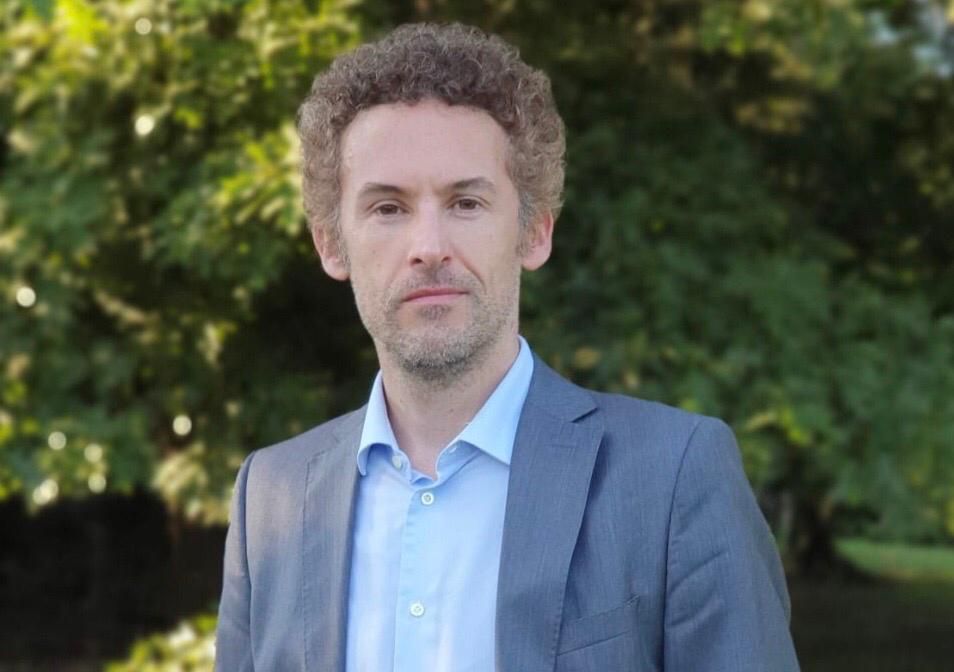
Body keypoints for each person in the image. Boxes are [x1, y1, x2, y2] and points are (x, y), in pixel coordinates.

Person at [214, 22, 800, 672]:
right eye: (388, 208)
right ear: (330, 244)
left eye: (466, 202)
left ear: (535, 232)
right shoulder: (270, 497)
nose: (428, 246)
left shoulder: (673, 477)